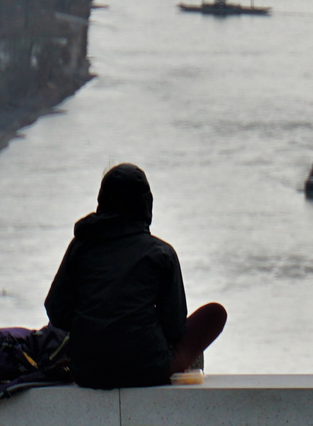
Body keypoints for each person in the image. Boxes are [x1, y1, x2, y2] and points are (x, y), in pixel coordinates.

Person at [44, 163, 226, 388]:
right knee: (215, 314)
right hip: (147, 370)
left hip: (86, 372)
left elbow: (56, 311)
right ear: (146, 204)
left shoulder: (81, 247)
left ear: (102, 200)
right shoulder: (160, 253)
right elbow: (175, 326)